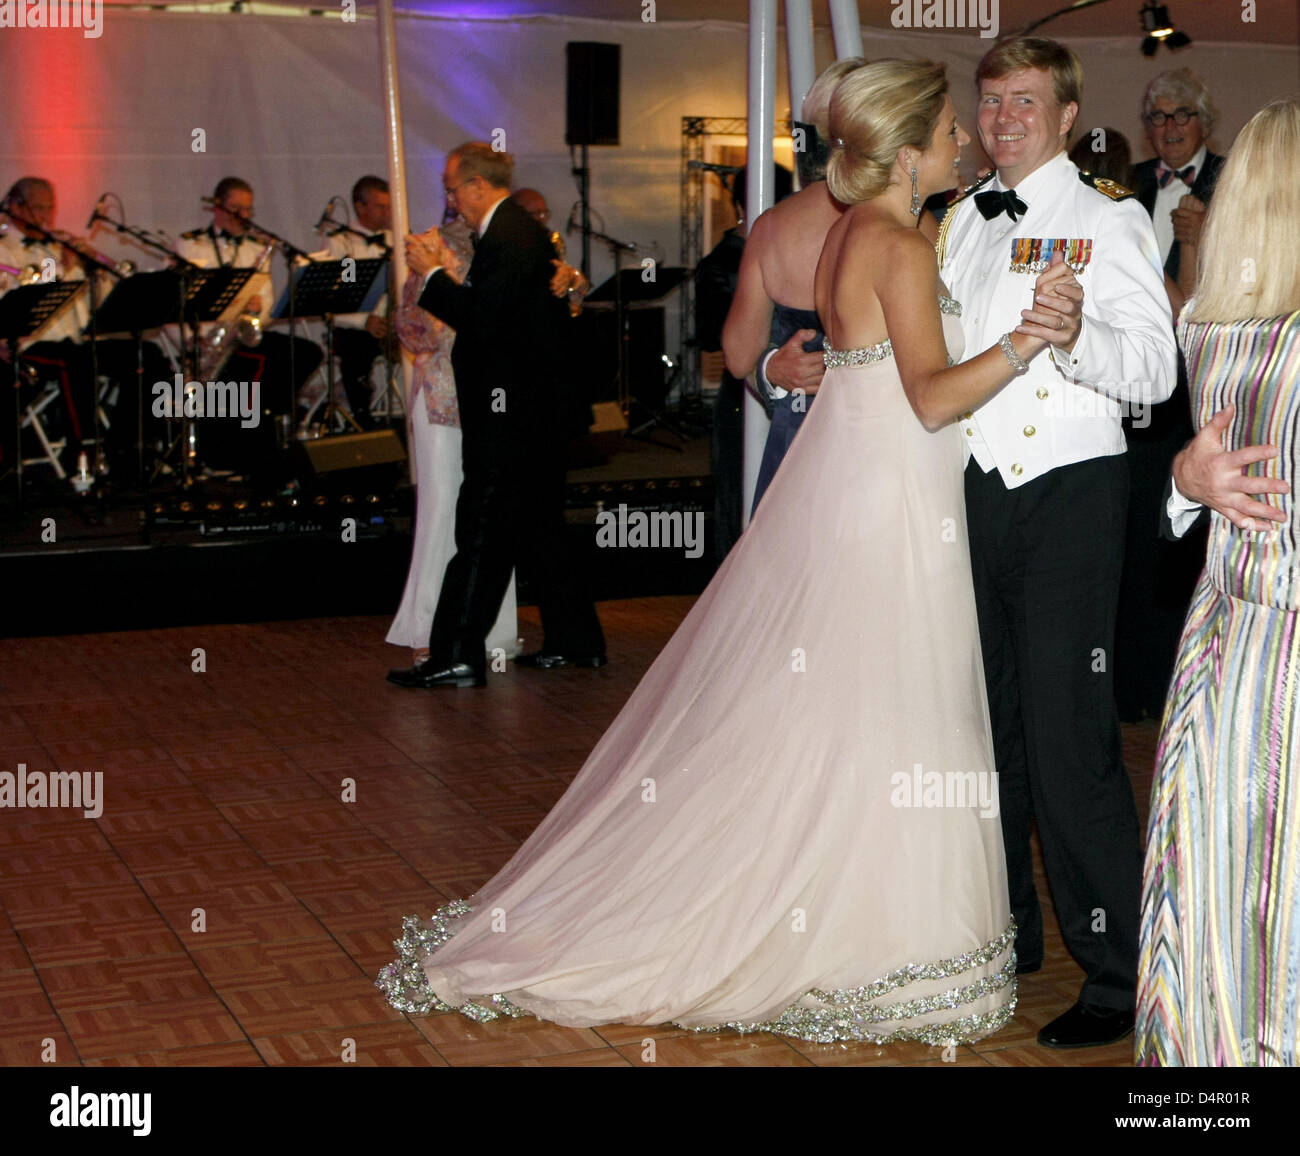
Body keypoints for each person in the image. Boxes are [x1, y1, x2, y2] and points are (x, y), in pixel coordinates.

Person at [377, 60, 1079, 1044]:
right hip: (890, 501)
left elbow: (822, 362)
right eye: (951, 129)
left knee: (856, 710)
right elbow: (929, 396)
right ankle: (891, 940)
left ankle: (869, 916)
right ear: (909, 146)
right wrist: (1030, 340)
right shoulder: (896, 242)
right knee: (896, 707)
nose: (962, 141)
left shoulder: (851, 234)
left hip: (862, 484)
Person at [937, 37, 1177, 1048]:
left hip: (1070, 494)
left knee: (1069, 733)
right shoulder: (956, 222)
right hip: (972, 494)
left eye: (1024, 101)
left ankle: (1116, 967)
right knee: (986, 728)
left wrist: (1078, 339)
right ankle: (1010, 931)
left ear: (1066, 113)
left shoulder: (1108, 218)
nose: (1003, 119)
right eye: (991, 101)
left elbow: (1155, 371)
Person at [1136, 100, 1300, 1068]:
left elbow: (1187, 486)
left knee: (1211, 881)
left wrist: (1178, 483)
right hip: (1283, 658)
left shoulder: (1204, 328)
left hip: (1217, 649)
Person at [387, 142, 605, 688]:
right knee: (541, 529)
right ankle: (577, 642)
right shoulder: (520, 233)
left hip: (512, 413)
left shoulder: (507, 235)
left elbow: (486, 321)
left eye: (453, 186)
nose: (449, 196)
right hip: (535, 410)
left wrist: (435, 277)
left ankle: (457, 655)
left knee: (481, 529)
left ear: (479, 185)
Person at [723, 58, 862, 514]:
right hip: (874, 440)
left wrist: (773, 369)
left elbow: (739, 355)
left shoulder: (771, 227)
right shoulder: (904, 220)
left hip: (798, 441)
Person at [386, 215, 519, 665]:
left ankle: (490, 627)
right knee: (444, 506)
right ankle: (430, 626)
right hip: (443, 388)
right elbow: (407, 325)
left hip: (487, 391)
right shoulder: (429, 247)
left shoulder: (502, 248)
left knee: (486, 506)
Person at [324, 175, 393, 430]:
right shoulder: (339, 241)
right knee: (358, 347)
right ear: (360, 207)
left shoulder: (395, 238)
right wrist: (365, 321)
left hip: (390, 323)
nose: (387, 212)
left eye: (388, 206)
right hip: (354, 328)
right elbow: (333, 300)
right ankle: (361, 419)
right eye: (380, 207)